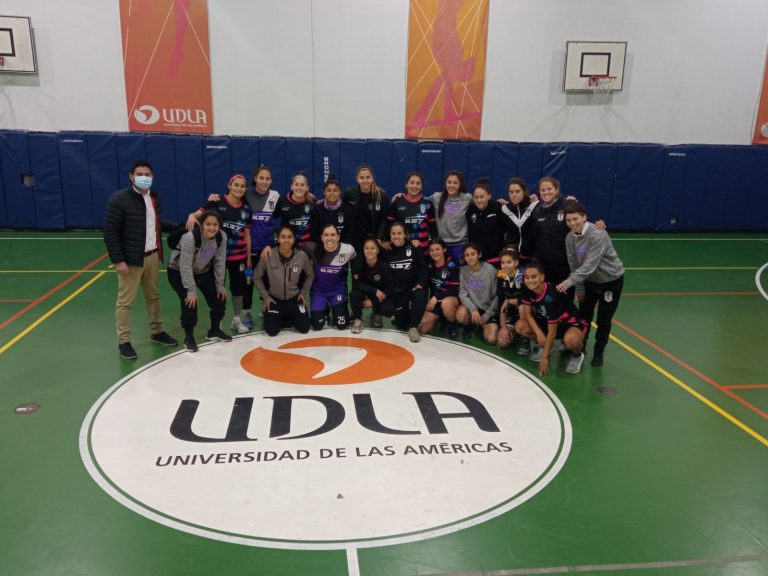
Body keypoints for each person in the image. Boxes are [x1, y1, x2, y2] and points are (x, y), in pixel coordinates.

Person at [103, 159, 178, 359]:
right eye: (140, 174)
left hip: (153, 256)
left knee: (153, 297)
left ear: (152, 177)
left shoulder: (154, 198)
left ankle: (157, 331)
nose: (144, 177)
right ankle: (124, 341)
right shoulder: (119, 199)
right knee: (125, 302)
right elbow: (110, 233)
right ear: (131, 176)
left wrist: (182, 225)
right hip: (131, 260)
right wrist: (119, 260)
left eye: (147, 174)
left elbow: (156, 223)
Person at [556, 202, 625, 367]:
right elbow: (573, 264)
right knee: (584, 317)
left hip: (610, 282)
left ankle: (599, 351)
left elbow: (590, 265)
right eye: (569, 220)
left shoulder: (597, 234)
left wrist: (569, 282)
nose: (572, 223)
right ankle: (580, 348)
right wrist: (579, 287)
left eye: (575, 219)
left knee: (604, 320)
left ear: (584, 217)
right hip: (589, 283)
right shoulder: (569, 238)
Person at [186, 174, 252, 334]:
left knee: (238, 288)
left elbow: (247, 234)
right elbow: (196, 215)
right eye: (236, 185)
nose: (239, 188)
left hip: (239, 256)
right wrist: (191, 217)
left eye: (242, 186)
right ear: (229, 186)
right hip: (216, 257)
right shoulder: (217, 202)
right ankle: (218, 322)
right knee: (217, 287)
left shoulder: (246, 208)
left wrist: (249, 257)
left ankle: (236, 319)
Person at [166, 211, 230, 352]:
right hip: (177, 270)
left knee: (219, 298)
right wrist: (191, 290)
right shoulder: (190, 238)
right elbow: (185, 265)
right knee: (190, 301)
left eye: (215, 225)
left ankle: (214, 331)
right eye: (208, 224)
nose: (211, 228)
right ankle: (189, 337)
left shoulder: (221, 237)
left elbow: (220, 261)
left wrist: (220, 285)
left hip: (202, 270)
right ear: (202, 224)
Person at [515, 261, 587, 376]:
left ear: (542, 277)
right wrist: (538, 333)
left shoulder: (552, 297)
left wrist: (545, 358)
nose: (530, 280)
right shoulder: (527, 288)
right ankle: (547, 346)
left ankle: (578, 355)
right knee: (520, 326)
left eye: (534, 277)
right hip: (547, 321)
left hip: (568, 324)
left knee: (571, 340)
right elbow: (527, 313)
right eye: (527, 277)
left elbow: (552, 332)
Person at [255, 225, 314, 337]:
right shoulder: (269, 255)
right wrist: (265, 296)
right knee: (272, 331)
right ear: (278, 239)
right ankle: (273, 313)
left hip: (294, 298)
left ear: (294, 239)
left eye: (289, 237)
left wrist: (303, 292)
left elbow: (310, 275)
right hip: (274, 299)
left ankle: (287, 316)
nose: (286, 240)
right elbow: (257, 277)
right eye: (283, 237)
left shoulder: (301, 256)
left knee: (305, 327)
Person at [380, 221, 429, 342]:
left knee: (420, 295)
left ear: (405, 235)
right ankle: (403, 314)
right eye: (393, 233)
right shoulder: (386, 250)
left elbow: (424, 268)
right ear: (390, 235)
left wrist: (421, 283)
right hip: (398, 291)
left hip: (413, 287)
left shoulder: (414, 247)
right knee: (401, 322)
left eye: (399, 233)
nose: (396, 236)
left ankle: (413, 328)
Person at [310, 223, 356, 330]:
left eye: (333, 235)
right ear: (321, 237)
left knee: (341, 325)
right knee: (317, 325)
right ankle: (324, 310)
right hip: (319, 292)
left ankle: (336, 307)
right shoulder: (313, 248)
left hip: (337, 291)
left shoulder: (348, 250)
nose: (329, 238)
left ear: (338, 237)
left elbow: (356, 259)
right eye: (326, 235)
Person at [349, 236, 394, 334]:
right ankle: (358, 319)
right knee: (354, 295)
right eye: (367, 248)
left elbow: (389, 288)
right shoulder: (358, 262)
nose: (369, 251)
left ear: (378, 250)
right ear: (363, 250)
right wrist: (374, 291)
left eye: (372, 248)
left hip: (379, 295)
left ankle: (377, 313)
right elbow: (356, 283)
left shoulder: (384, 266)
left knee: (389, 309)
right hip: (366, 293)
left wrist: (373, 301)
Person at [456, 244, 499, 344]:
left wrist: (486, 315)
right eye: (467, 255)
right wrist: (473, 310)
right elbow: (462, 294)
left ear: (479, 255)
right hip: (474, 308)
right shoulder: (463, 271)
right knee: (460, 316)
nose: (470, 257)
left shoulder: (490, 270)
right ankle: (470, 325)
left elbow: (497, 297)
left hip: (488, 309)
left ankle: (481, 325)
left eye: (473, 254)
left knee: (491, 339)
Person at [419, 237, 460, 338]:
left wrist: (437, 297)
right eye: (432, 250)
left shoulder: (452, 266)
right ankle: (439, 320)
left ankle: (451, 324)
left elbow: (455, 290)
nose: (435, 252)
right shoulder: (429, 265)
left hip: (449, 300)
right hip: (434, 303)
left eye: (437, 249)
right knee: (422, 328)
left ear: (444, 249)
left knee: (446, 303)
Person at [386, 172, 438, 253]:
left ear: (421, 187)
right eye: (412, 182)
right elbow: (388, 224)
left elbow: (433, 229)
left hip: (422, 249)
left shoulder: (427, 203)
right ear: (406, 185)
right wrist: (386, 240)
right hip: (401, 249)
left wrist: (435, 245)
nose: (414, 186)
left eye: (418, 183)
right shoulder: (397, 202)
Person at [427, 171, 472, 264]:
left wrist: (500, 202)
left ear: (460, 185)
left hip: (459, 245)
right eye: (449, 182)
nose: (452, 185)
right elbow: (418, 201)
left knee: (458, 274)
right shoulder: (436, 197)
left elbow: (482, 202)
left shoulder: (467, 198)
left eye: (455, 183)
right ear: (445, 183)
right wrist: (401, 197)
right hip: (440, 245)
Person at [343, 163, 390, 251]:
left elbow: (384, 220)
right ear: (357, 179)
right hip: (356, 241)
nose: (365, 180)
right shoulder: (349, 194)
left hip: (375, 240)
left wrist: (379, 238)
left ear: (372, 178)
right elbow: (342, 211)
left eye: (368, 177)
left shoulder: (382, 196)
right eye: (361, 178)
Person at [466, 178, 506, 268]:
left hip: (496, 257)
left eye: (482, 197)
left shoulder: (498, 207)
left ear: (489, 196)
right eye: (476, 197)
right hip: (477, 259)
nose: (479, 200)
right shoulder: (470, 210)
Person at [500, 177, 538, 266]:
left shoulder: (534, 206)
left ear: (524, 191)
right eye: (511, 192)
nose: (514, 195)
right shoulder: (504, 210)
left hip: (532, 258)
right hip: (512, 259)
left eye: (517, 191)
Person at [496, 247, 527, 353]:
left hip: (527, 311)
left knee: (523, 306)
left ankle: (526, 338)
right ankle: (515, 332)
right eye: (503, 262)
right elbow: (501, 302)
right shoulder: (500, 277)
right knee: (502, 342)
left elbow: (528, 300)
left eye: (509, 262)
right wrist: (503, 327)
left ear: (516, 262)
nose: (505, 265)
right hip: (510, 312)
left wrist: (510, 301)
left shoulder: (524, 276)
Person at [310, 174, 356, 245]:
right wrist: (325, 245)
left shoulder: (347, 209)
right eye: (329, 190)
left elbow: (350, 232)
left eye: (335, 190)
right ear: (324, 192)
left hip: (341, 247)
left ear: (340, 192)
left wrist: (339, 246)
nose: (332, 193)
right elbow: (314, 232)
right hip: (322, 247)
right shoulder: (317, 209)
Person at [277, 172, 315, 252]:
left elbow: (314, 222)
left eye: (302, 185)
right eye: (296, 184)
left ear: (307, 188)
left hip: (305, 244)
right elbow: (274, 215)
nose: (299, 187)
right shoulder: (282, 200)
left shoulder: (311, 201)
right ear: (292, 186)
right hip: (287, 244)